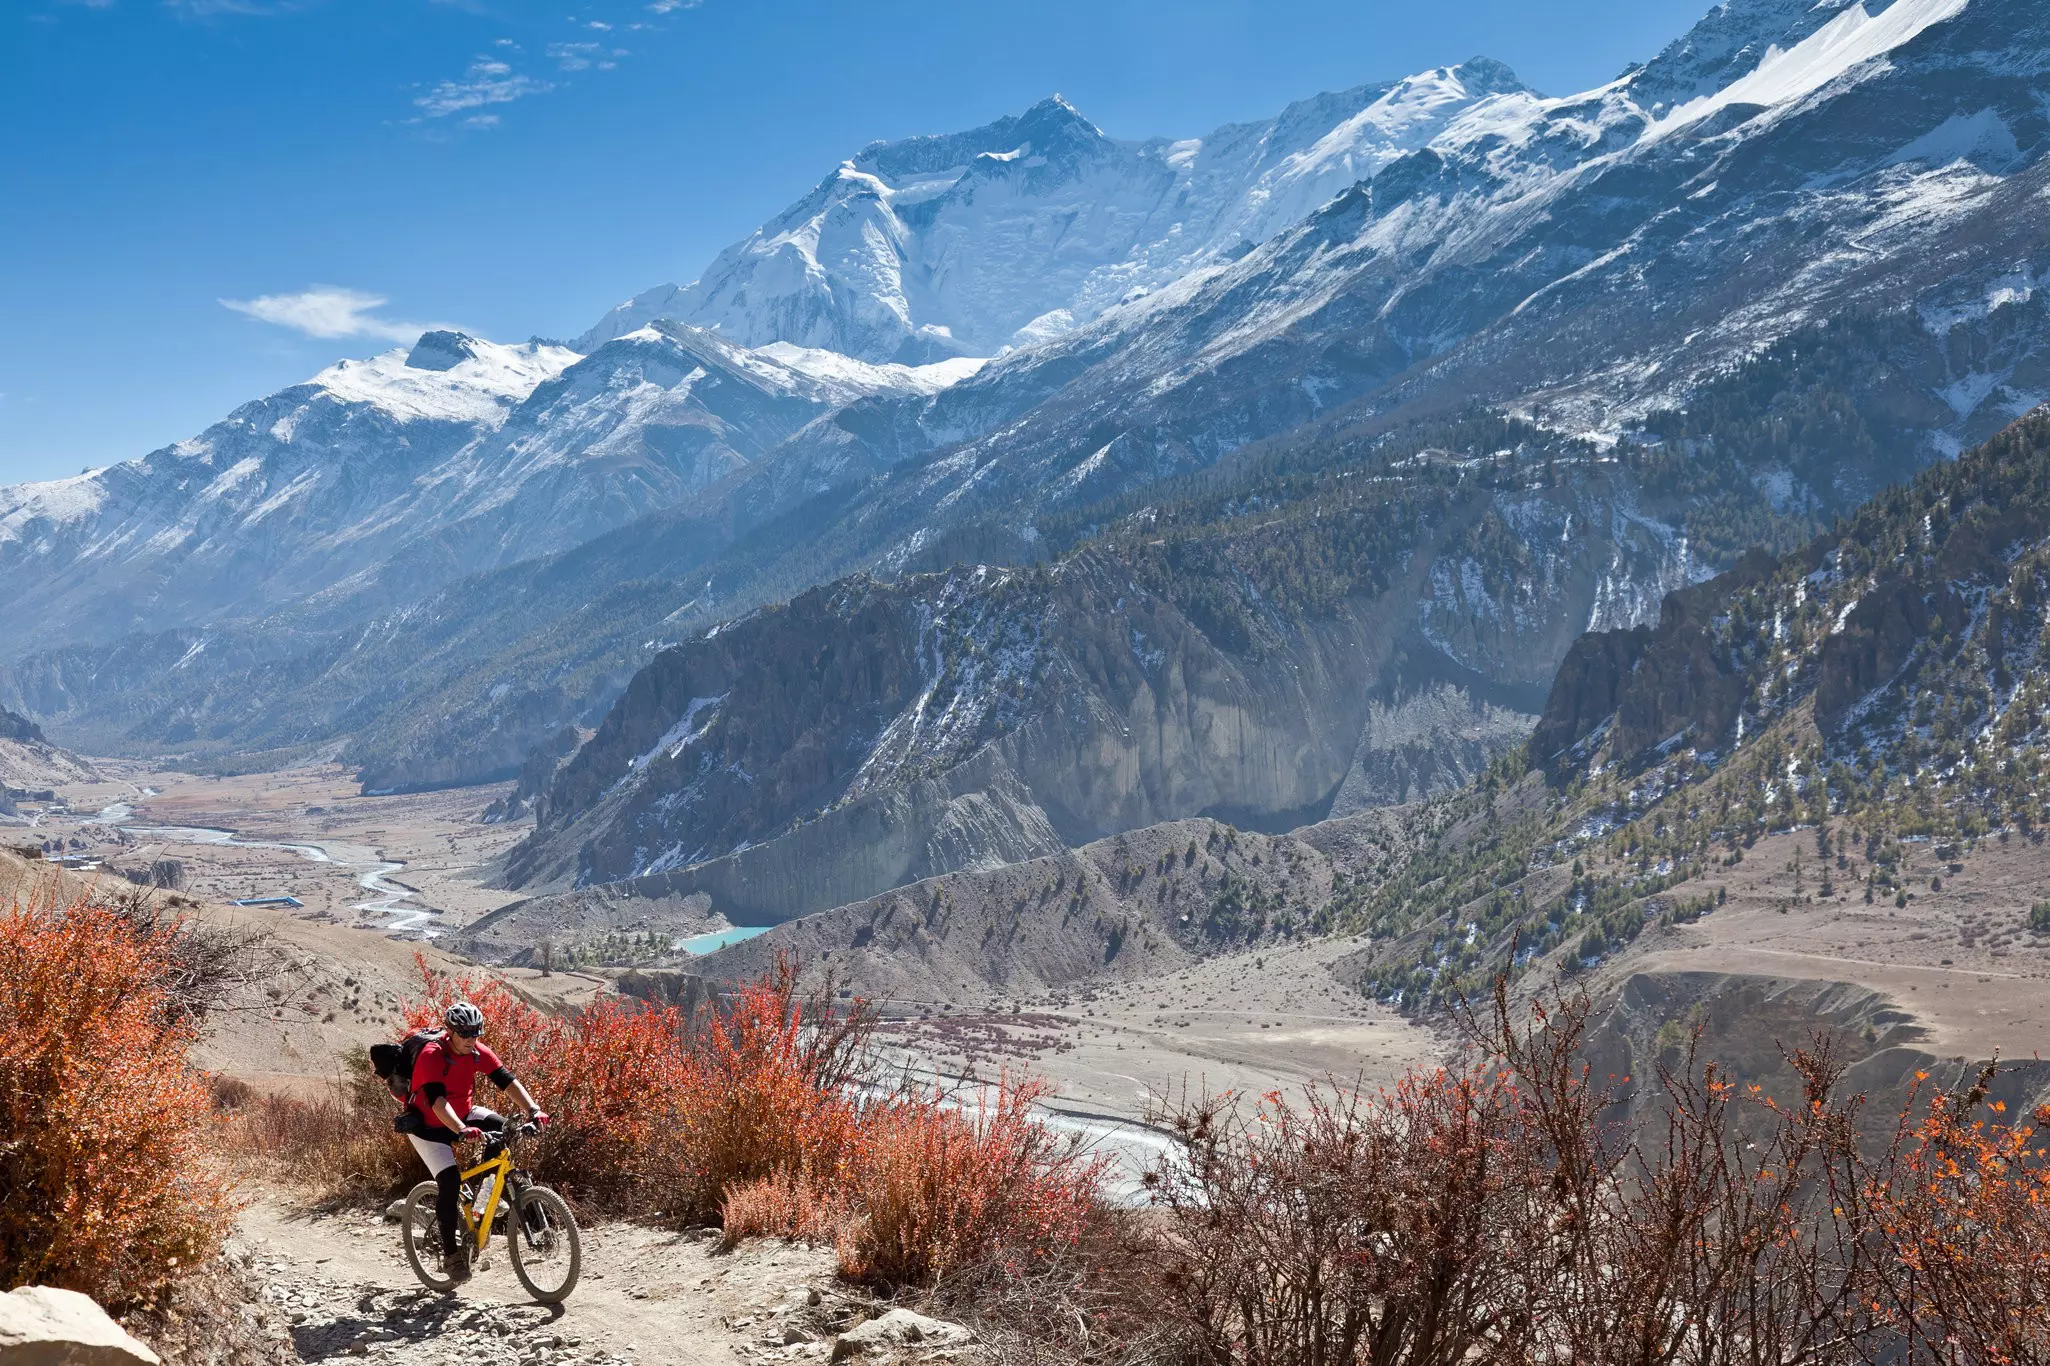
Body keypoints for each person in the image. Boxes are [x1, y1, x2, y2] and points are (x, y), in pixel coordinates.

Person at [406, 1000, 549, 1284]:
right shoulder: (432, 1055)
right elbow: (437, 1102)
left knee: (506, 1130)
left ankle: (484, 1199)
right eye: (465, 1033)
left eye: (476, 1033)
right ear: (450, 1032)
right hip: (428, 1126)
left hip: (463, 1114)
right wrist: (461, 1129)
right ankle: (451, 1255)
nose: (471, 1039)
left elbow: (506, 1080)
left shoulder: (476, 1052)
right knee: (448, 1181)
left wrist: (533, 1110)